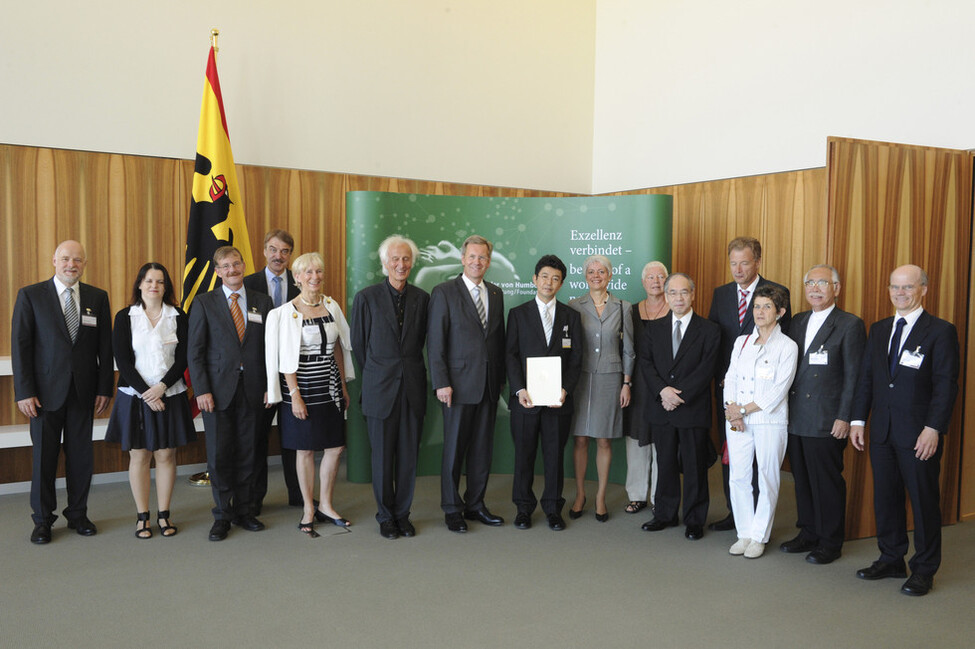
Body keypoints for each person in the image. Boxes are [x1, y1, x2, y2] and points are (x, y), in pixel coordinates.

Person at [851, 265, 959, 596]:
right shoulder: (879, 328)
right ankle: (891, 557)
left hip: (918, 434)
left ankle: (924, 569)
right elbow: (868, 377)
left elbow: (945, 385)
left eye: (908, 287)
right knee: (886, 498)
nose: (900, 293)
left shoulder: (940, 331)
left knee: (924, 501)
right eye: (895, 287)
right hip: (882, 430)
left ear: (923, 289)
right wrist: (858, 420)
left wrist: (933, 428)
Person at [12, 240, 113, 544]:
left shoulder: (98, 297)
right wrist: (24, 391)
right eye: (66, 259)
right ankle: (43, 520)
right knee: (44, 457)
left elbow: (104, 348)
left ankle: (78, 514)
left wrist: (104, 388)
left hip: (83, 393)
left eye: (78, 260)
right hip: (42, 395)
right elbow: (22, 346)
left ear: (84, 263)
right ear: (54, 261)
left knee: (81, 458)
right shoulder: (31, 295)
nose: (72, 265)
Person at [187, 246, 273, 541]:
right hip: (217, 393)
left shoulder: (263, 302)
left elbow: (270, 350)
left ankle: (245, 511)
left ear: (244, 265)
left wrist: (270, 387)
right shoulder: (204, 303)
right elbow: (195, 352)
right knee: (220, 455)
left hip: (254, 390)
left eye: (236, 263)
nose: (232, 269)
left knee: (250, 453)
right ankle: (222, 515)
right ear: (217, 271)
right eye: (225, 266)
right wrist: (202, 390)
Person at [266, 252, 355, 536]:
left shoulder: (332, 306)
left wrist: (342, 385)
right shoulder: (282, 314)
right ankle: (307, 507)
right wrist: (294, 394)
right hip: (300, 389)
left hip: (329, 387)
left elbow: (340, 347)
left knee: (334, 447)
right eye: (308, 273)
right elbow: (283, 358)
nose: (314, 277)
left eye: (318, 271)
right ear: (296, 278)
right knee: (304, 449)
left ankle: (326, 504)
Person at [105, 263, 196, 538]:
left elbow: (183, 357)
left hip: (170, 393)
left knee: (166, 454)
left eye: (159, 281)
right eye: (148, 281)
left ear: (166, 286)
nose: (154, 286)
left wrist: (162, 387)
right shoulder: (125, 317)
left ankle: (164, 515)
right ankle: (142, 516)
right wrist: (148, 392)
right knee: (140, 455)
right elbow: (122, 360)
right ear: (140, 284)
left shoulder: (178, 315)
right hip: (135, 396)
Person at [783, 265, 865, 564]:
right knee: (801, 479)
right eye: (810, 283)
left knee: (826, 482)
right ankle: (808, 532)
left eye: (822, 283)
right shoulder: (798, 321)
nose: (815, 288)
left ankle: (830, 541)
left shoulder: (849, 324)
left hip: (827, 418)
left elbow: (854, 377)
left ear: (837, 288)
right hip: (795, 416)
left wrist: (846, 417)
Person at [708, 236, 791, 532]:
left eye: (744, 262)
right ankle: (735, 513)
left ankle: (758, 518)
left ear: (757, 261)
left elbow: (782, 343)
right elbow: (714, 342)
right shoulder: (721, 294)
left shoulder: (778, 293)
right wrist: (723, 389)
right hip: (729, 392)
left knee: (760, 461)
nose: (738, 269)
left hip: (762, 396)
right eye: (733, 263)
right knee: (732, 453)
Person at [350, 236, 429, 539]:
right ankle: (385, 516)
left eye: (406, 259)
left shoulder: (422, 298)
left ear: (412, 262)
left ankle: (403, 514)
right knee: (382, 457)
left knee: (408, 457)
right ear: (384, 263)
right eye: (395, 259)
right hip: (379, 388)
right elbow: (359, 347)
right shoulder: (366, 298)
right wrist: (378, 373)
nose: (401, 265)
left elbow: (422, 342)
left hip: (411, 387)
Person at [427, 234, 506, 533]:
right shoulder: (444, 292)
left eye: (483, 257)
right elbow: (436, 342)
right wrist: (441, 382)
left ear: (489, 260)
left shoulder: (496, 294)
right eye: (472, 257)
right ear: (462, 259)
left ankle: (476, 504)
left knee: (482, 450)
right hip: (456, 387)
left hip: (487, 386)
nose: (477, 262)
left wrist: (499, 381)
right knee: (454, 450)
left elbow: (496, 340)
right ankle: (452, 508)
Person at [639, 273, 721, 540]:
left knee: (695, 465)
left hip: (692, 408)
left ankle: (695, 519)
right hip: (662, 408)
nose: (678, 298)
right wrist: (663, 391)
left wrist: (678, 395)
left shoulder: (709, 329)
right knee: (665, 464)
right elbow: (647, 365)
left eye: (683, 292)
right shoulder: (653, 329)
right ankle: (664, 514)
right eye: (672, 293)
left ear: (693, 295)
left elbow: (706, 369)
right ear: (666, 295)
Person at [505, 255, 583, 531]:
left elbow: (576, 360)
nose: (549, 282)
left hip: (557, 403)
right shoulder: (517, 314)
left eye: (556, 278)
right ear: (535, 279)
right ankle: (523, 509)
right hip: (525, 401)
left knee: (554, 457)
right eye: (545, 276)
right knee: (523, 457)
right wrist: (519, 390)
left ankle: (552, 508)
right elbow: (511, 355)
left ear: (561, 283)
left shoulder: (571, 316)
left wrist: (565, 390)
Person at [723, 284, 798, 559]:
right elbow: (730, 377)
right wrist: (732, 409)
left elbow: (778, 391)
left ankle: (759, 535)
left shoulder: (787, 346)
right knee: (739, 477)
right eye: (756, 306)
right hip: (737, 419)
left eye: (767, 306)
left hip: (769, 421)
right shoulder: (741, 342)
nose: (760, 312)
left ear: (780, 312)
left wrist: (742, 410)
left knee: (767, 477)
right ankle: (744, 533)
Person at [568, 255, 635, 522]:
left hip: (611, 378)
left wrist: (626, 383)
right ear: (585, 276)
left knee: (604, 440)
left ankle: (600, 497)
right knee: (580, 439)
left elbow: (630, 349)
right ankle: (581, 494)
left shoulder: (623, 307)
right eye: (591, 271)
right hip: (580, 379)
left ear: (610, 275)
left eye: (602, 271)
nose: (596, 275)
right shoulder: (574, 305)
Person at [243, 229, 302, 510]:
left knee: (294, 437)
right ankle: (254, 501)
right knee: (257, 440)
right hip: (259, 375)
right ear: (264, 250)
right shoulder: (247, 283)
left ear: (290, 255)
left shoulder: (302, 282)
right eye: (273, 249)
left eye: (285, 251)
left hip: (295, 373)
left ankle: (298, 495)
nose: (278, 256)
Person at [623, 261, 669, 515]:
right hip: (638, 384)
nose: (655, 281)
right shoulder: (631, 311)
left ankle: (658, 495)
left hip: (665, 385)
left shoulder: (676, 309)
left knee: (662, 440)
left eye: (660, 276)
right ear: (643, 282)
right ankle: (637, 495)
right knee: (637, 440)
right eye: (650, 277)